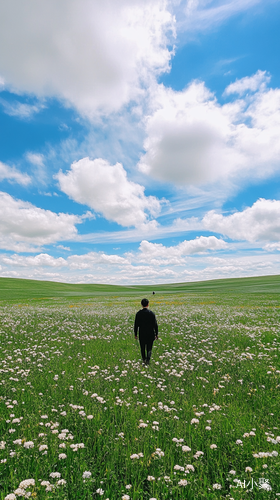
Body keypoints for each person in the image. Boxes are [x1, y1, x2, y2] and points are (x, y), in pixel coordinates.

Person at [134, 298, 158, 365]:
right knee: (149, 348)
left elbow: (136, 325)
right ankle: (148, 359)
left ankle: (144, 360)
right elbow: (155, 325)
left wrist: (135, 334)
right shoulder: (151, 314)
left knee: (142, 348)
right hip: (150, 333)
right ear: (148, 304)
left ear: (141, 304)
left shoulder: (138, 314)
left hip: (142, 333)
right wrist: (156, 334)